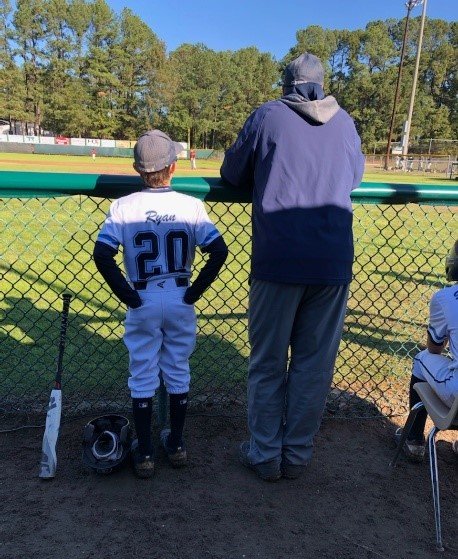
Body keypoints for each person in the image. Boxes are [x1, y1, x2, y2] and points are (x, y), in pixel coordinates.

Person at [220, 52, 365, 481]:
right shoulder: (345, 122)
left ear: (287, 85)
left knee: (267, 363)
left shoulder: (268, 116)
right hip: (332, 261)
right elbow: (353, 178)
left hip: (278, 260)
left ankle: (265, 455)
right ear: (322, 85)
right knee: (314, 365)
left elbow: (231, 173)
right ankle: (297, 455)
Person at [93, 129, 228, 478]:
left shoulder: (122, 207)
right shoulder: (191, 206)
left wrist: (129, 296)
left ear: (139, 170)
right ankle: (178, 444)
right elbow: (218, 251)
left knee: (142, 373)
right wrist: (194, 293)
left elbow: (103, 255)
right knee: (178, 369)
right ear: (172, 167)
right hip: (181, 293)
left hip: (143, 295)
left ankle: (145, 453)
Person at [395, 241, 458, 461]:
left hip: (456, 393)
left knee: (422, 359)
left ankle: (413, 440)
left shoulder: (446, 297)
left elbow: (435, 348)